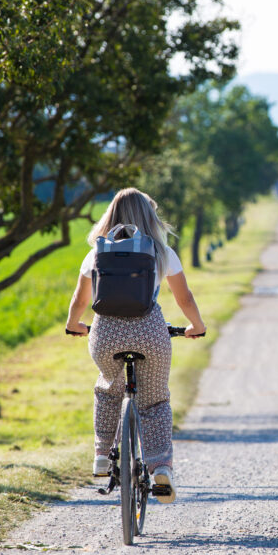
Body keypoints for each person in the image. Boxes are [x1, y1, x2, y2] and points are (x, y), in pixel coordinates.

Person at [65, 188, 206, 503]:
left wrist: (74, 324)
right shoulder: (161, 252)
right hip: (150, 333)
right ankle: (161, 468)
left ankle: (102, 455)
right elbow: (184, 298)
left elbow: (80, 299)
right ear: (150, 216)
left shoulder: (97, 252)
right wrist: (196, 325)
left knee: (108, 390)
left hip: (106, 334)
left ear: (111, 215)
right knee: (154, 401)